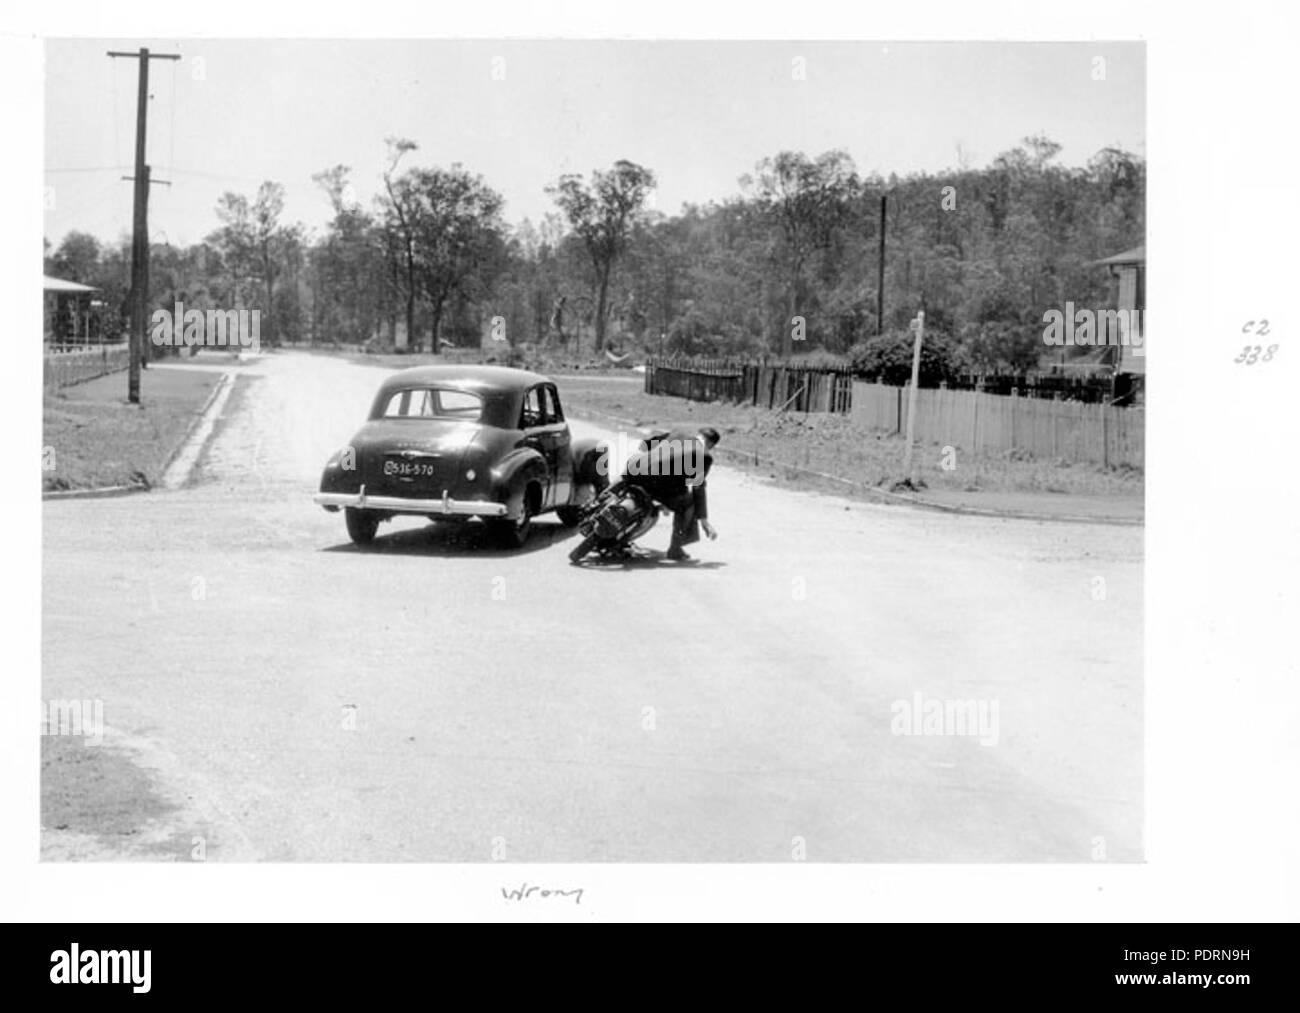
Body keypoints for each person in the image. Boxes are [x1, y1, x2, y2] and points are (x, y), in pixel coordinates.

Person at [620, 426, 720, 561]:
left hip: (634, 469)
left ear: (698, 434)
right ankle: (675, 549)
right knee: (689, 503)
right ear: (711, 445)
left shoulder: (679, 432)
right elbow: (698, 488)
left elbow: (646, 444)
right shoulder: (705, 456)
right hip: (659, 488)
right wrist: (704, 521)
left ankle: (592, 509)